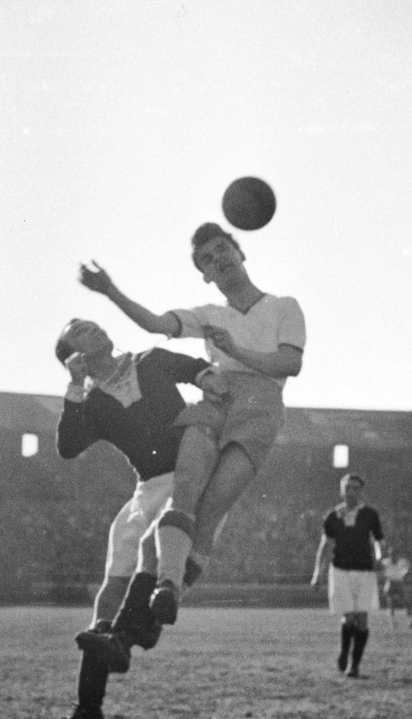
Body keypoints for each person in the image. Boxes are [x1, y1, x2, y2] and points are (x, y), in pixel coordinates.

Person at [78, 222, 305, 629]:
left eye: (223, 249)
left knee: (211, 508)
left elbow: (290, 364)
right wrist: (109, 290)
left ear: (240, 253)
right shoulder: (208, 316)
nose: (219, 258)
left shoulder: (285, 306)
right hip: (217, 398)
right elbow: (153, 324)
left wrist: (236, 350)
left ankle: (149, 615)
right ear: (205, 274)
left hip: (260, 402)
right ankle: (166, 588)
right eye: (208, 258)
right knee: (184, 490)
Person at [43, 318, 227, 719]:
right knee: (109, 591)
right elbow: (68, 447)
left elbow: (196, 369)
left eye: (93, 325)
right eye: (82, 332)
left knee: (156, 553)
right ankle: (88, 708)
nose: (95, 330)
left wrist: (210, 378)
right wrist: (73, 388)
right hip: (147, 488)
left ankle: (135, 633)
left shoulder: (151, 360)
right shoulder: (92, 403)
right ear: (75, 357)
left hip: (188, 480)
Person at [310, 473, 384, 677]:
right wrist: (318, 573)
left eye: (355, 488)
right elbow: (325, 546)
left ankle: (355, 664)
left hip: (364, 571)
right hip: (340, 569)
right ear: (341, 491)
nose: (351, 492)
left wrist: (379, 556)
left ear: (361, 491)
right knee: (348, 616)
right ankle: (344, 651)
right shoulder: (333, 516)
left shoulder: (370, 514)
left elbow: (378, 539)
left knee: (362, 618)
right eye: (347, 488)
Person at [381, 554, 412, 629]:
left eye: (394, 555)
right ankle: (392, 622)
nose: (393, 557)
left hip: (399, 583)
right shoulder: (386, 562)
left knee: (407, 602)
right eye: (392, 555)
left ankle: (411, 621)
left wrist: (405, 575)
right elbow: (381, 568)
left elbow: (407, 569)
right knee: (391, 603)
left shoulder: (403, 562)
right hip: (390, 583)